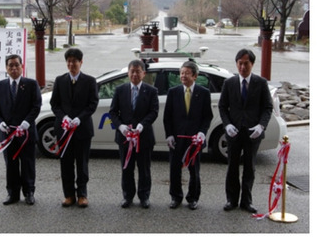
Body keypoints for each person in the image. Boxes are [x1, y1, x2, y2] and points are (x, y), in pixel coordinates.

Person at [218, 48, 273, 213]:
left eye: (246, 63)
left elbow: (268, 107)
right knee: (232, 168)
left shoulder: (261, 83)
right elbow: (222, 107)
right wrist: (227, 124)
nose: (243, 67)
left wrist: (261, 125)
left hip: (252, 133)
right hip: (234, 133)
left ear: (252, 64)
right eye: (240, 63)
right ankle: (231, 200)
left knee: (250, 168)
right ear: (236, 64)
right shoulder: (229, 83)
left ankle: (246, 201)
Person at [0, 54, 42, 206]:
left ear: (22, 66)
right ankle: (12, 193)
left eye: (16, 65)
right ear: (6, 68)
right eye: (10, 65)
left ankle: (29, 192)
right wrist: (0, 123)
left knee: (28, 163)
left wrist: (26, 122)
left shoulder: (31, 84)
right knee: (10, 164)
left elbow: (36, 106)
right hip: (7, 134)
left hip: (26, 133)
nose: (14, 68)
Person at [50, 48, 99, 208]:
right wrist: (63, 117)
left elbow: (93, 104)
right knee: (66, 163)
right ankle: (69, 195)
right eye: (69, 61)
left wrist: (78, 119)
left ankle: (82, 195)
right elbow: (54, 104)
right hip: (63, 130)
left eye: (75, 61)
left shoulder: (90, 81)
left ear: (81, 62)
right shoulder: (59, 80)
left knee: (82, 163)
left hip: (82, 129)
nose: (71, 64)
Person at [163, 61, 213, 210]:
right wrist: (169, 134)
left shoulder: (204, 93)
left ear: (195, 76)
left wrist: (202, 133)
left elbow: (207, 117)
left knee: (194, 170)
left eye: (187, 73)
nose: (183, 76)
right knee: (174, 169)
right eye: (181, 73)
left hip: (194, 140)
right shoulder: (173, 92)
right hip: (177, 139)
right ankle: (175, 197)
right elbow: (167, 117)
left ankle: (193, 198)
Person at [109, 60, 159, 209]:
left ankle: (144, 197)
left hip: (144, 137)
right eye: (132, 71)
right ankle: (127, 196)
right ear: (128, 73)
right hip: (125, 138)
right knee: (126, 168)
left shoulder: (151, 91)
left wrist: (142, 125)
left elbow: (154, 112)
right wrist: (121, 127)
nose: (135, 74)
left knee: (144, 169)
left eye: (138, 71)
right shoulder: (120, 90)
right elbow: (112, 112)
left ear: (144, 73)